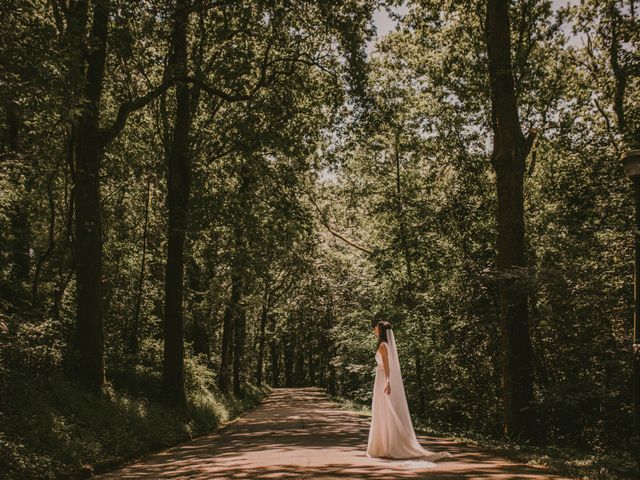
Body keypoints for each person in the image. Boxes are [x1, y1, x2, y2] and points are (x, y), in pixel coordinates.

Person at [366, 319, 453, 464]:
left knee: (383, 410)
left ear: (380, 331)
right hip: (382, 377)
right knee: (384, 410)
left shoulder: (382, 345)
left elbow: (387, 366)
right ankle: (385, 445)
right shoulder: (387, 345)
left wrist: (387, 381)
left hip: (382, 378)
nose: (374, 329)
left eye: (376, 328)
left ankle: (384, 446)